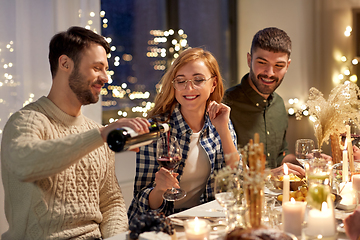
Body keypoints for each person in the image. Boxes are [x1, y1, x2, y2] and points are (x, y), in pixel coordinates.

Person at [1, 26, 151, 239]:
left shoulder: (95, 131)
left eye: (105, 69)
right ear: (65, 63)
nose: (106, 77)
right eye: (97, 67)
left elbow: (111, 202)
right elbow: (26, 164)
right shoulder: (25, 121)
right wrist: (100, 136)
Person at [127, 47, 239, 222]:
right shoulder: (155, 129)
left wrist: (223, 129)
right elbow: (142, 201)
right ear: (174, 86)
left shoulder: (221, 120)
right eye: (181, 81)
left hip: (204, 220)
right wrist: (159, 190)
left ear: (213, 84)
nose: (189, 88)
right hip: (159, 225)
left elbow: (237, 177)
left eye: (198, 80)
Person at [223, 27, 305, 177]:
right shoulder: (225, 104)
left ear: (287, 66)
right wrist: (269, 175)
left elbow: (280, 158)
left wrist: (304, 161)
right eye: (262, 62)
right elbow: (222, 168)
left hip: (275, 198)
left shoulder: (279, 104)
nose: (270, 73)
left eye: (278, 66)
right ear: (249, 60)